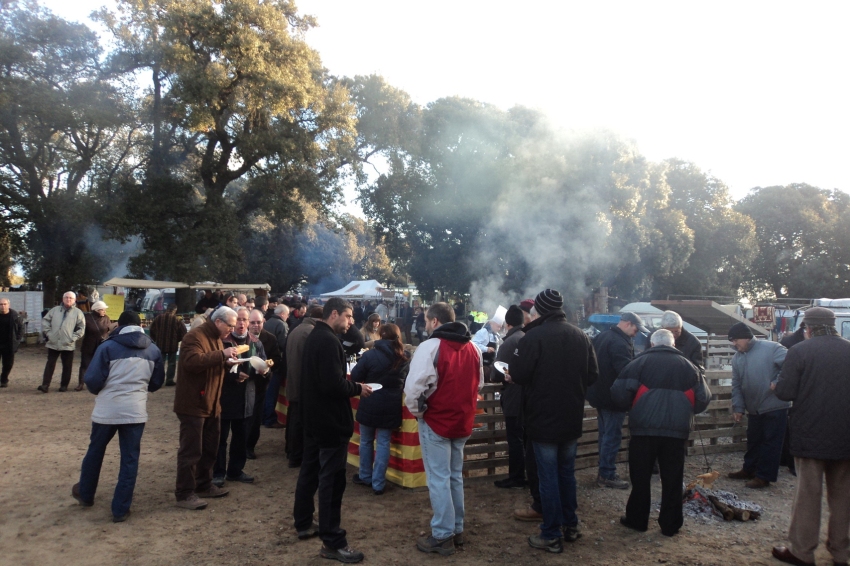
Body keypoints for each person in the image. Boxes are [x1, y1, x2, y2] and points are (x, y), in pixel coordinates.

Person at [511, 289, 598, 553]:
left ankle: (550, 533)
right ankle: (571, 525)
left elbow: (518, 374)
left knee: (547, 476)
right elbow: (593, 374)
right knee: (566, 474)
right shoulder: (580, 335)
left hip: (542, 418)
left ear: (539, 310)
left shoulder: (533, 337)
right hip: (571, 416)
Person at [292, 297, 372, 563]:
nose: (351, 322)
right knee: (332, 480)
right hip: (329, 423)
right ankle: (332, 540)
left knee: (311, 471)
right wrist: (358, 388)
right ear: (334, 314)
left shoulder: (317, 336)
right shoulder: (327, 340)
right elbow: (332, 384)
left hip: (314, 419)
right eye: (348, 316)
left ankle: (304, 521)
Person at [611, 329, 710, 537]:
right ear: (673, 344)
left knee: (640, 478)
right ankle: (670, 525)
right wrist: (685, 410)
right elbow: (703, 398)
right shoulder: (690, 367)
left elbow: (618, 394)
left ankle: (637, 520)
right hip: (676, 433)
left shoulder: (638, 364)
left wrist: (634, 407)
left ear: (652, 344)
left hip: (643, 430)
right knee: (673, 479)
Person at [772, 307, 850, 566]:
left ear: (808, 328)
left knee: (808, 495)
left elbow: (785, 392)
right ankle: (841, 553)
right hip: (846, 435)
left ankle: (802, 552)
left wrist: (776, 385)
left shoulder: (799, 351)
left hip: (810, 435)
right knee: (843, 497)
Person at [404, 302, 483, 556]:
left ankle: (442, 534)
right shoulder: (473, 348)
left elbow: (413, 389)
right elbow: (478, 384)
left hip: (437, 420)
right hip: (462, 420)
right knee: (454, 476)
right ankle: (455, 529)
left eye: (427, 320)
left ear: (435, 321)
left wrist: (419, 413)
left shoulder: (430, 347)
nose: (426, 325)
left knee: (439, 478)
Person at [71, 311, 165, 522]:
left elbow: (92, 379)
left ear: (119, 325)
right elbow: (156, 382)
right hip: (135, 411)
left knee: (95, 451)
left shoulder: (107, 347)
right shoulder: (153, 350)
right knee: (129, 459)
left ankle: (86, 494)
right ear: (140, 325)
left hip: (107, 410)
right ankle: (120, 509)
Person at [172, 306, 242, 510]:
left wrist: (228, 364)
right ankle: (184, 493)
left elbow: (212, 363)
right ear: (218, 321)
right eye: (230, 325)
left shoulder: (217, 337)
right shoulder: (194, 337)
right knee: (191, 451)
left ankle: (203, 484)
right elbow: (192, 362)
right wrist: (222, 354)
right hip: (193, 404)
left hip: (212, 404)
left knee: (210, 448)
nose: (232, 329)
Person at [587, 311, 647, 489]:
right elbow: (626, 371)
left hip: (598, 394)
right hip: (613, 398)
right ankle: (607, 474)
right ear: (628, 324)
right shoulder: (620, 343)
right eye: (636, 329)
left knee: (605, 434)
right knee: (612, 436)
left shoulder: (602, 336)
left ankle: (604, 471)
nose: (636, 334)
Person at [726, 322, 789, 488]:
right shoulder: (737, 358)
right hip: (754, 407)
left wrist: (778, 382)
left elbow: (790, 365)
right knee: (753, 440)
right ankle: (749, 469)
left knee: (771, 442)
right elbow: (736, 384)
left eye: (736, 340)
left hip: (775, 404)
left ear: (746, 337)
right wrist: (738, 407)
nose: (734, 344)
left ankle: (764, 476)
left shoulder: (772, 348)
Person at [351, 323, 410, 495]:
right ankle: (378, 483)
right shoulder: (405, 356)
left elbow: (355, 376)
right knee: (384, 442)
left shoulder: (370, 355)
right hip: (392, 403)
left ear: (381, 335)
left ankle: (365, 476)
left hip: (370, 399)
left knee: (366, 440)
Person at [213, 307, 268, 486]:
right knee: (220, 438)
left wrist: (264, 371)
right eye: (238, 320)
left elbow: (264, 365)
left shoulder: (255, 343)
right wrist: (233, 375)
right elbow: (214, 368)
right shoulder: (222, 341)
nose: (242, 323)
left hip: (246, 397)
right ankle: (218, 472)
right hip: (224, 397)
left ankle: (235, 471)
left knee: (241, 437)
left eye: (245, 320)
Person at [491, 305, 526, 489]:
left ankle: (516, 477)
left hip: (514, 397)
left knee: (515, 439)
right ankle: (526, 475)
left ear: (507, 323)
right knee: (525, 438)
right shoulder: (527, 337)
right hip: (529, 396)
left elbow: (496, 373)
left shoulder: (510, 342)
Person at [284, 306, 323, 464]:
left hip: (294, 379)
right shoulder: (310, 332)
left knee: (293, 418)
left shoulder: (297, 329)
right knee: (299, 421)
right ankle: (295, 455)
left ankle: (291, 451)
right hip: (302, 382)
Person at [247, 308, 281, 459]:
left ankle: (249, 447)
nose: (256, 325)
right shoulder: (241, 337)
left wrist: (269, 364)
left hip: (260, 384)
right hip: (243, 384)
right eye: (253, 322)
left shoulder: (270, 338)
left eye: (258, 322)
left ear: (263, 322)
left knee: (255, 418)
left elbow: (277, 359)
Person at [39, 291, 86, 393]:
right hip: (53, 342)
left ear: (74, 300)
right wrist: (48, 333)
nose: (68, 299)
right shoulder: (55, 310)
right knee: (50, 364)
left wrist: (72, 338)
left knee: (67, 366)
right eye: (66, 297)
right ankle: (45, 385)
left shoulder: (78, 313)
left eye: (70, 298)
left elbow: (81, 328)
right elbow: (45, 321)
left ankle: (64, 385)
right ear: (63, 299)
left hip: (68, 344)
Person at [77, 301, 117, 392]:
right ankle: (81, 383)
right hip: (89, 344)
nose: (105, 311)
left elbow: (108, 330)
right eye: (103, 310)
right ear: (97, 310)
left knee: (102, 365)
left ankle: (100, 382)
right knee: (85, 364)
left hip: (101, 344)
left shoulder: (106, 318)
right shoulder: (87, 317)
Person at [262, 304, 290, 426]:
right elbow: (284, 344)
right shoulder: (282, 325)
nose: (288, 317)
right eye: (287, 314)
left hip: (265, 360)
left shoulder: (267, 322)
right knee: (272, 393)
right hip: (276, 362)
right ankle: (269, 419)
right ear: (283, 314)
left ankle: (263, 417)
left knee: (266, 392)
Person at [148, 304, 187, 387]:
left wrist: (155, 338)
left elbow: (152, 329)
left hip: (160, 344)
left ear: (167, 309)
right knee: (171, 363)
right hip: (172, 345)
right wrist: (177, 339)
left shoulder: (158, 318)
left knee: (160, 363)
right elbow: (184, 332)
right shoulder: (177, 320)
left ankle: (158, 379)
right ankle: (169, 380)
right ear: (175, 310)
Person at [0, 297, 23, 388]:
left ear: (8, 305)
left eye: (4, 304)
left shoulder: (15, 316)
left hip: (9, 344)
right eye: (1, 304)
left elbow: (21, 328)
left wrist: (17, 340)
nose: (3, 306)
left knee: (8, 364)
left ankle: (4, 379)